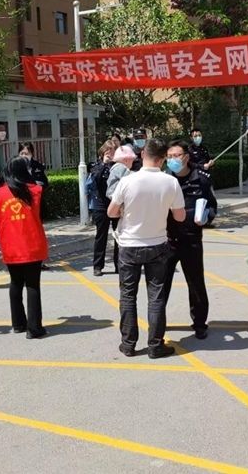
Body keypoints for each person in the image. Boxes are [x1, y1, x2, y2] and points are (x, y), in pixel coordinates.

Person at [108, 138, 185, 359]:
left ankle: (128, 344)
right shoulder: (171, 182)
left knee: (128, 296)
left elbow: (111, 212)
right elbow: (180, 216)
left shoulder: (128, 181)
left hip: (129, 244)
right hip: (158, 244)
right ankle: (155, 345)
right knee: (156, 296)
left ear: (143, 155)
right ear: (163, 159)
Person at [162, 140, 218, 340]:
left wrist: (206, 217)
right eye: (169, 156)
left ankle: (200, 323)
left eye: (176, 155)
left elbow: (212, 206)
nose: (172, 160)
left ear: (186, 157)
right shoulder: (164, 179)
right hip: (167, 240)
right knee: (161, 284)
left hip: (191, 238)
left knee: (195, 284)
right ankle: (158, 322)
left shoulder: (201, 179)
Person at [0, 157, 50, 339]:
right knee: (33, 285)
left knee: (15, 283)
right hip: (32, 244)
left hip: (10, 245)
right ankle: (34, 328)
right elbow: (43, 215)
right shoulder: (36, 191)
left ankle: (18, 324)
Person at [88, 139, 120, 276]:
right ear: (102, 152)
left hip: (116, 203)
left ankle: (119, 265)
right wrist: (104, 164)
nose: (111, 154)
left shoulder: (119, 166)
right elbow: (95, 179)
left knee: (119, 236)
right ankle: (98, 266)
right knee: (101, 236)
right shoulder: (96, 165)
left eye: (113, 151)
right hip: (101, 205)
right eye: (108, 151)